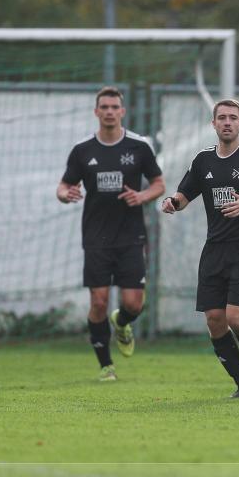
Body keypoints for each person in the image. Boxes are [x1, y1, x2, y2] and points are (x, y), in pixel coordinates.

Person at [162, 99, 239, 398]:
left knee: (237, 318)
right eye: (222, 117)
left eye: (233, 117)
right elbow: (183, 194)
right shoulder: (202, 160)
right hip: (214, 248)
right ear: (214, 123)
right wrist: (172, 203)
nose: (227, 122)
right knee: (214, 321)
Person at [57, 86, 165, 382]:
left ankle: (122, 322)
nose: (108, 111)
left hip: (131, 236)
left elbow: (159, 183)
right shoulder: (83, 150)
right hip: (96, 237)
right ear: (96, 112)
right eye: (103, 107)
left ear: (122, 111)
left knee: (133, 304)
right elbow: (63, 186)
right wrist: (67, 194)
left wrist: (142, 197)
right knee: (99, 302)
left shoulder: (138, 146)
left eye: (114, 107)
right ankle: (106, 366)